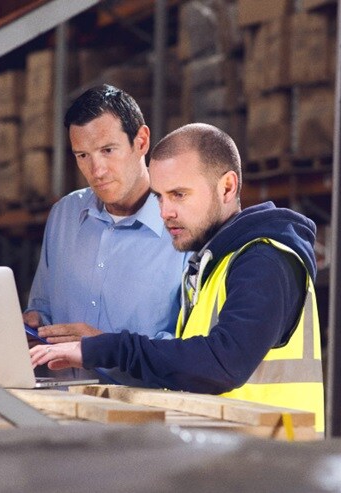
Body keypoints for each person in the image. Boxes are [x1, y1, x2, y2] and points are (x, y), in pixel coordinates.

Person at [30, 123, 325, 432]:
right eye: (159, 197)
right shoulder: (213, 264)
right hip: (235, 459)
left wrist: (104, 347)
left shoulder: (265, 260)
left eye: (179, 195)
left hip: (272, 464)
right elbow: (187, 366)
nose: (164, 212)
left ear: (227, 187)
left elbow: (221, 364)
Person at [23, 85, 187, 385]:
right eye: (82, 155)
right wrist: (34, 326)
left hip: (147, 418)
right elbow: (42, 309)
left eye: (107, 151)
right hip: (63, 410)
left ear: (141, 141)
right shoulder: (64, 215)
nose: (96, 170)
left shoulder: (184, 227)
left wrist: (105, 347)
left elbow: (192, 351)